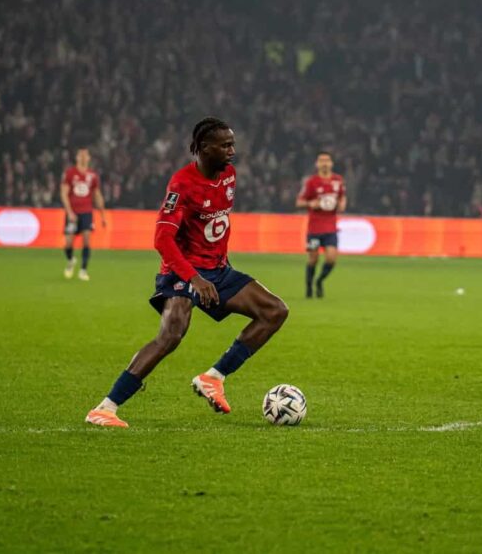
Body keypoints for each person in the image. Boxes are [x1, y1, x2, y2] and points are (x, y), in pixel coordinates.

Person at [85, 117, 289, 428]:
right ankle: (105, 408)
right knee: (170, 336)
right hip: (182, 272)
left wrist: (217, 266)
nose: (232, 151)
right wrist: (194, 278)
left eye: (233, 144)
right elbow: (162, 240)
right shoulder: (182, 185)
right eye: (225, 145)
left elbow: (215, 226)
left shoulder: (229, 175)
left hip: (217, 270)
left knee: (275, 311)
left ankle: (214, 377)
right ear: (204, 148)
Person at [296, 151, 346, 298]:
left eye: (327, 160)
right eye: (322, 160)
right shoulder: (311, 182)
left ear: (331, 163)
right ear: (317, 164)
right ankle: (309, 286)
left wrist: (342, 204)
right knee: (313, 259)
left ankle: (319, 281)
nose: (325, 163)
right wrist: (311, 203)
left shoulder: (338, 180)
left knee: (331, 259)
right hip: (314, 230)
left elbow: (342, 197)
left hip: (331, 229)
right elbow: (299, 202)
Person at [61, 148, 107, 281]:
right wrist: (69, 212)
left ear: (88, 158)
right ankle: (71, 260)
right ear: (76, 157)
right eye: (80, 155)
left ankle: (83, 270)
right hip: (73, 213)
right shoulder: (70, 173)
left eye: (85, 155)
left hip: (87, 212)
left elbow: (97, 195)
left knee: (86, 239)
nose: (82, 157)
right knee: (68, 243)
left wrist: (103, 215)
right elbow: (64, 193)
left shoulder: (92, 175)